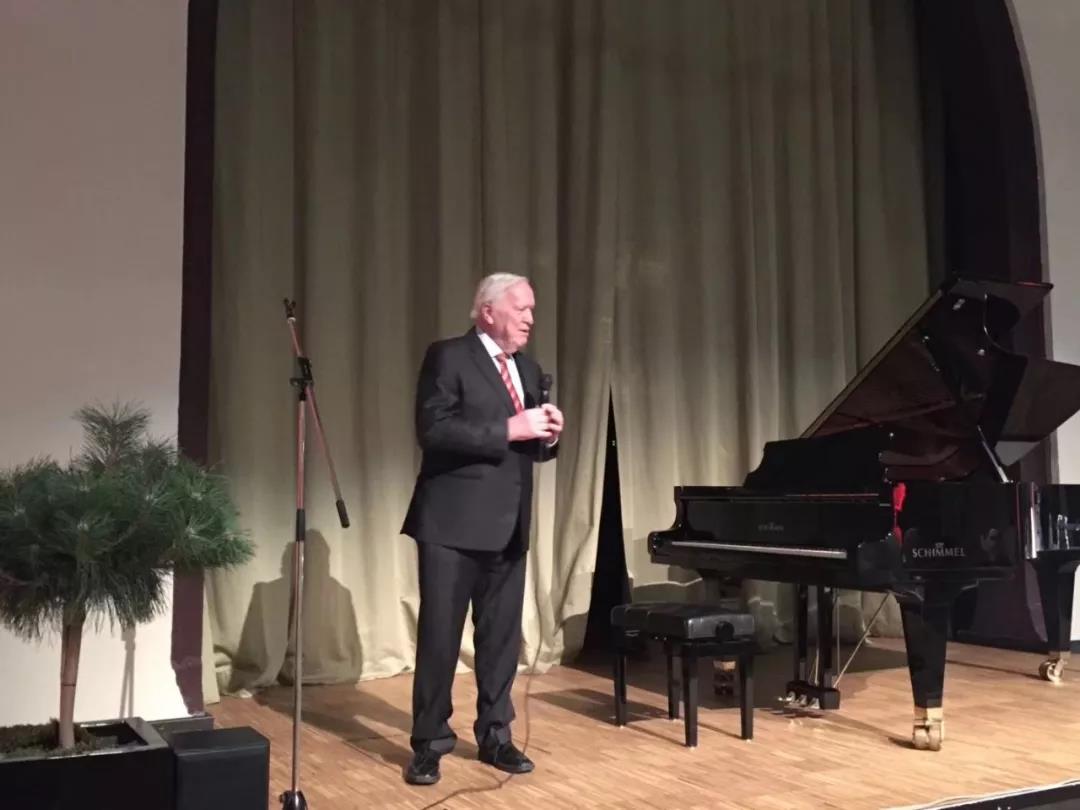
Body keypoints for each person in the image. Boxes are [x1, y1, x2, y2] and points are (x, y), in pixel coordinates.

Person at [400, 273, 564, 786]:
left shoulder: (528, 369)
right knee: (440, 639)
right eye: (521, 308)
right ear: (488, 311)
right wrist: (510, 428)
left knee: (500, 640)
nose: (531, 318)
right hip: (451, 523)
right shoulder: (449, 356)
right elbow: (433, 429)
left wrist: (548, 436)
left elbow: (528, 448)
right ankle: (429, 742)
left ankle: (496, 735)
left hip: (509, 524)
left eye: (533, 309)